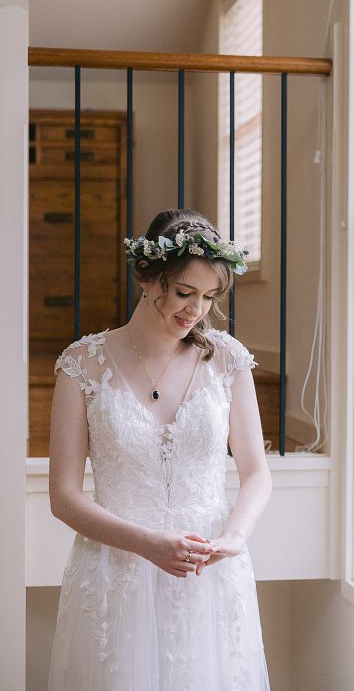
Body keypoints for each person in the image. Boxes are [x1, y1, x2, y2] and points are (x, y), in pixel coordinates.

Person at [47, 208, 273, 690]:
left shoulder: (228, 359)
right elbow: (64, 498)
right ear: (146, 276)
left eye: (209, 297)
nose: (197, 310)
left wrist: (234, 537)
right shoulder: (82, 364)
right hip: (115, 573)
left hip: (207, 574)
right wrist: (148, 544)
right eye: (185, 292)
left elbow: (256, 472)